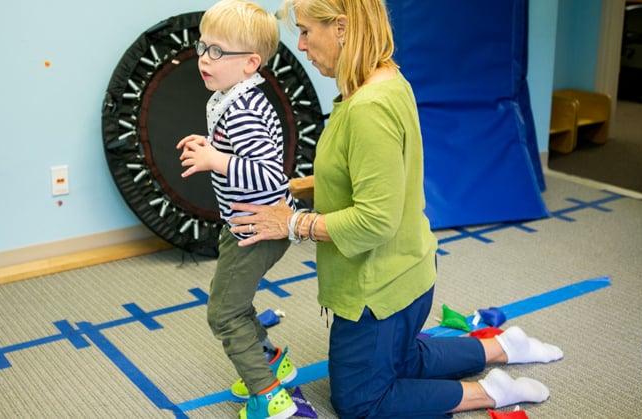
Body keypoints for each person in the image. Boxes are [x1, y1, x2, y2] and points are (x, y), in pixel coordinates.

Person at [228, 0, 565, 417]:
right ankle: (501, 347)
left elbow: (374, 220)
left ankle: (490, 392)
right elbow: (368, 179)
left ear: (342, 28)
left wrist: (292, 223)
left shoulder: (369, 108)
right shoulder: (385, 79)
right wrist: (290, 187)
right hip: (408, 273)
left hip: (381, 290)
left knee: (359, 402)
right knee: (402, 361)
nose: (301, 45)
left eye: (306, 31)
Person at [175, 1, 298, 418]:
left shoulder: (244, 108)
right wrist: (214, 149)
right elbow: (239, 151)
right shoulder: (233, 96)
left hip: (257, 229)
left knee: (223, 313)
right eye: (203, 46)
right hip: (242, 224)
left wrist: (218, 160)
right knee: (234, 300)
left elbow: (268, 176)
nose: (204, 59)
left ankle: (268, 394)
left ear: (250, 63)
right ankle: (272, 358)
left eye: (217, 51)